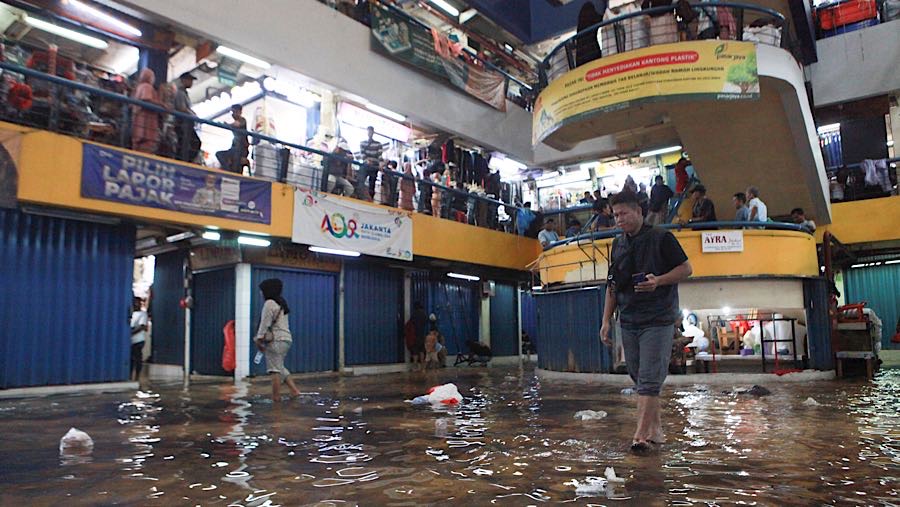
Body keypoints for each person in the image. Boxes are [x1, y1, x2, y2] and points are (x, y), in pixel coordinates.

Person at [600, 191, 692, 453]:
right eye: (616, 215)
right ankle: (656, 428)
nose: (619, 219)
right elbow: (612, 285)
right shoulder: (618, 245)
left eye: (624, 213)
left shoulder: (662, 238)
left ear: (639, 211)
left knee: (650, 377)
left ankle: (640, 435)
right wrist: (606, 320)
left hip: (658, 317)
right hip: (628, 319)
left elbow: (686, 268)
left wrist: (658, 281)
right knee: (638, 375)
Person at [254, 278, 302, 401]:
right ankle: (295, 391)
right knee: (279, 366)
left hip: (275, 340)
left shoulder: (269, 303)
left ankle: (276, 397)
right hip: (286, 339)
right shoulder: (281, 303)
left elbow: (265, 324)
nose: (260, 293)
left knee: (274, 370)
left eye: (262, 290)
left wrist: (259, 339)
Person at [130, 68, 161, 154]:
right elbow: (146, 99)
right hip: (146, 126)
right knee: (146, 150)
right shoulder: (147, 87)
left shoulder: (138, 88)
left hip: (138, 126)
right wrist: (161, 105)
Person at [173, 72, 201, 163]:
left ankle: (184, 159)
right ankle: (185, 160)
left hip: (186, 123)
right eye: (189, 80)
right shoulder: (180, 93)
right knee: (192, 142)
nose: (191, 82)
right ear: (183, 80)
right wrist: (193, 115)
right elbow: (181, 108)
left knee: (185, 143)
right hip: (182, 123)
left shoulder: (184, 93)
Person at [215, 104, 250, 174]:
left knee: (236, 169)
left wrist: (227, 125)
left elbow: (237, 124)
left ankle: (230, 172)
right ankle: (227, 170)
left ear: (239, 112)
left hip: (241, 150)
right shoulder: (236, 123)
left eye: (234, 112)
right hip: (234, 149)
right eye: (232, 112)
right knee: (219, 154)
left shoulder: (242, 120)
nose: (233, 114)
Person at [358, 126, 382, 200]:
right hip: (367, 164)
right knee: (361, 180)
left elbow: (380, 156)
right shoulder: (362, 143)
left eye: (371, 132)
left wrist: (380, 163)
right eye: (369, 132)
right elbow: (362, 155)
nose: (370, 133)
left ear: (373, 133)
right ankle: (360, 196)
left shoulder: (378, 144)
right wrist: (367, 160)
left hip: (374, 166)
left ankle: (370, 198)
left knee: (372, 183)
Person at [129, 297, 148, 381]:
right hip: (131, 341)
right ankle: (130, 376)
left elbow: (142, 326)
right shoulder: (131, 314)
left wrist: (130, 333)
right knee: (131, 359)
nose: (136, 304)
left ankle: (137, 376)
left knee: (137, 358)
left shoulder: (142, 314)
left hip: (138, 340)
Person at [412, 302, 428, 370]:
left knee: (415, 350)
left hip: (415, 334)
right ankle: (422, 366)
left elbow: (411, 322)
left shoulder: (414, 314)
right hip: (422, 334)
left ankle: (415, 366)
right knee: (422, 350)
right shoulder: (424, 314)